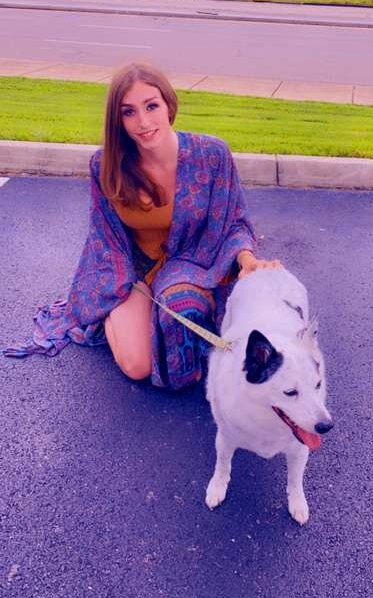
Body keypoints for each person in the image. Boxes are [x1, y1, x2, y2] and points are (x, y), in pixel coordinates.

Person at [4, 63, 281, 390]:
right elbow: (105, 238)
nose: (143, 122)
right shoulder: (106, 165)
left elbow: (234, 222)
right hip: (131, 272)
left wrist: (247, 260)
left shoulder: (212, 155)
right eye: (129, 112)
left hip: (196, 263)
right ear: (118, 119)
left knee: (211, 318)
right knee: (138, 365)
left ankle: (161, 315)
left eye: (151, 106)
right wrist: (121, 289)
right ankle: (112, 317)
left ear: (168, 104)